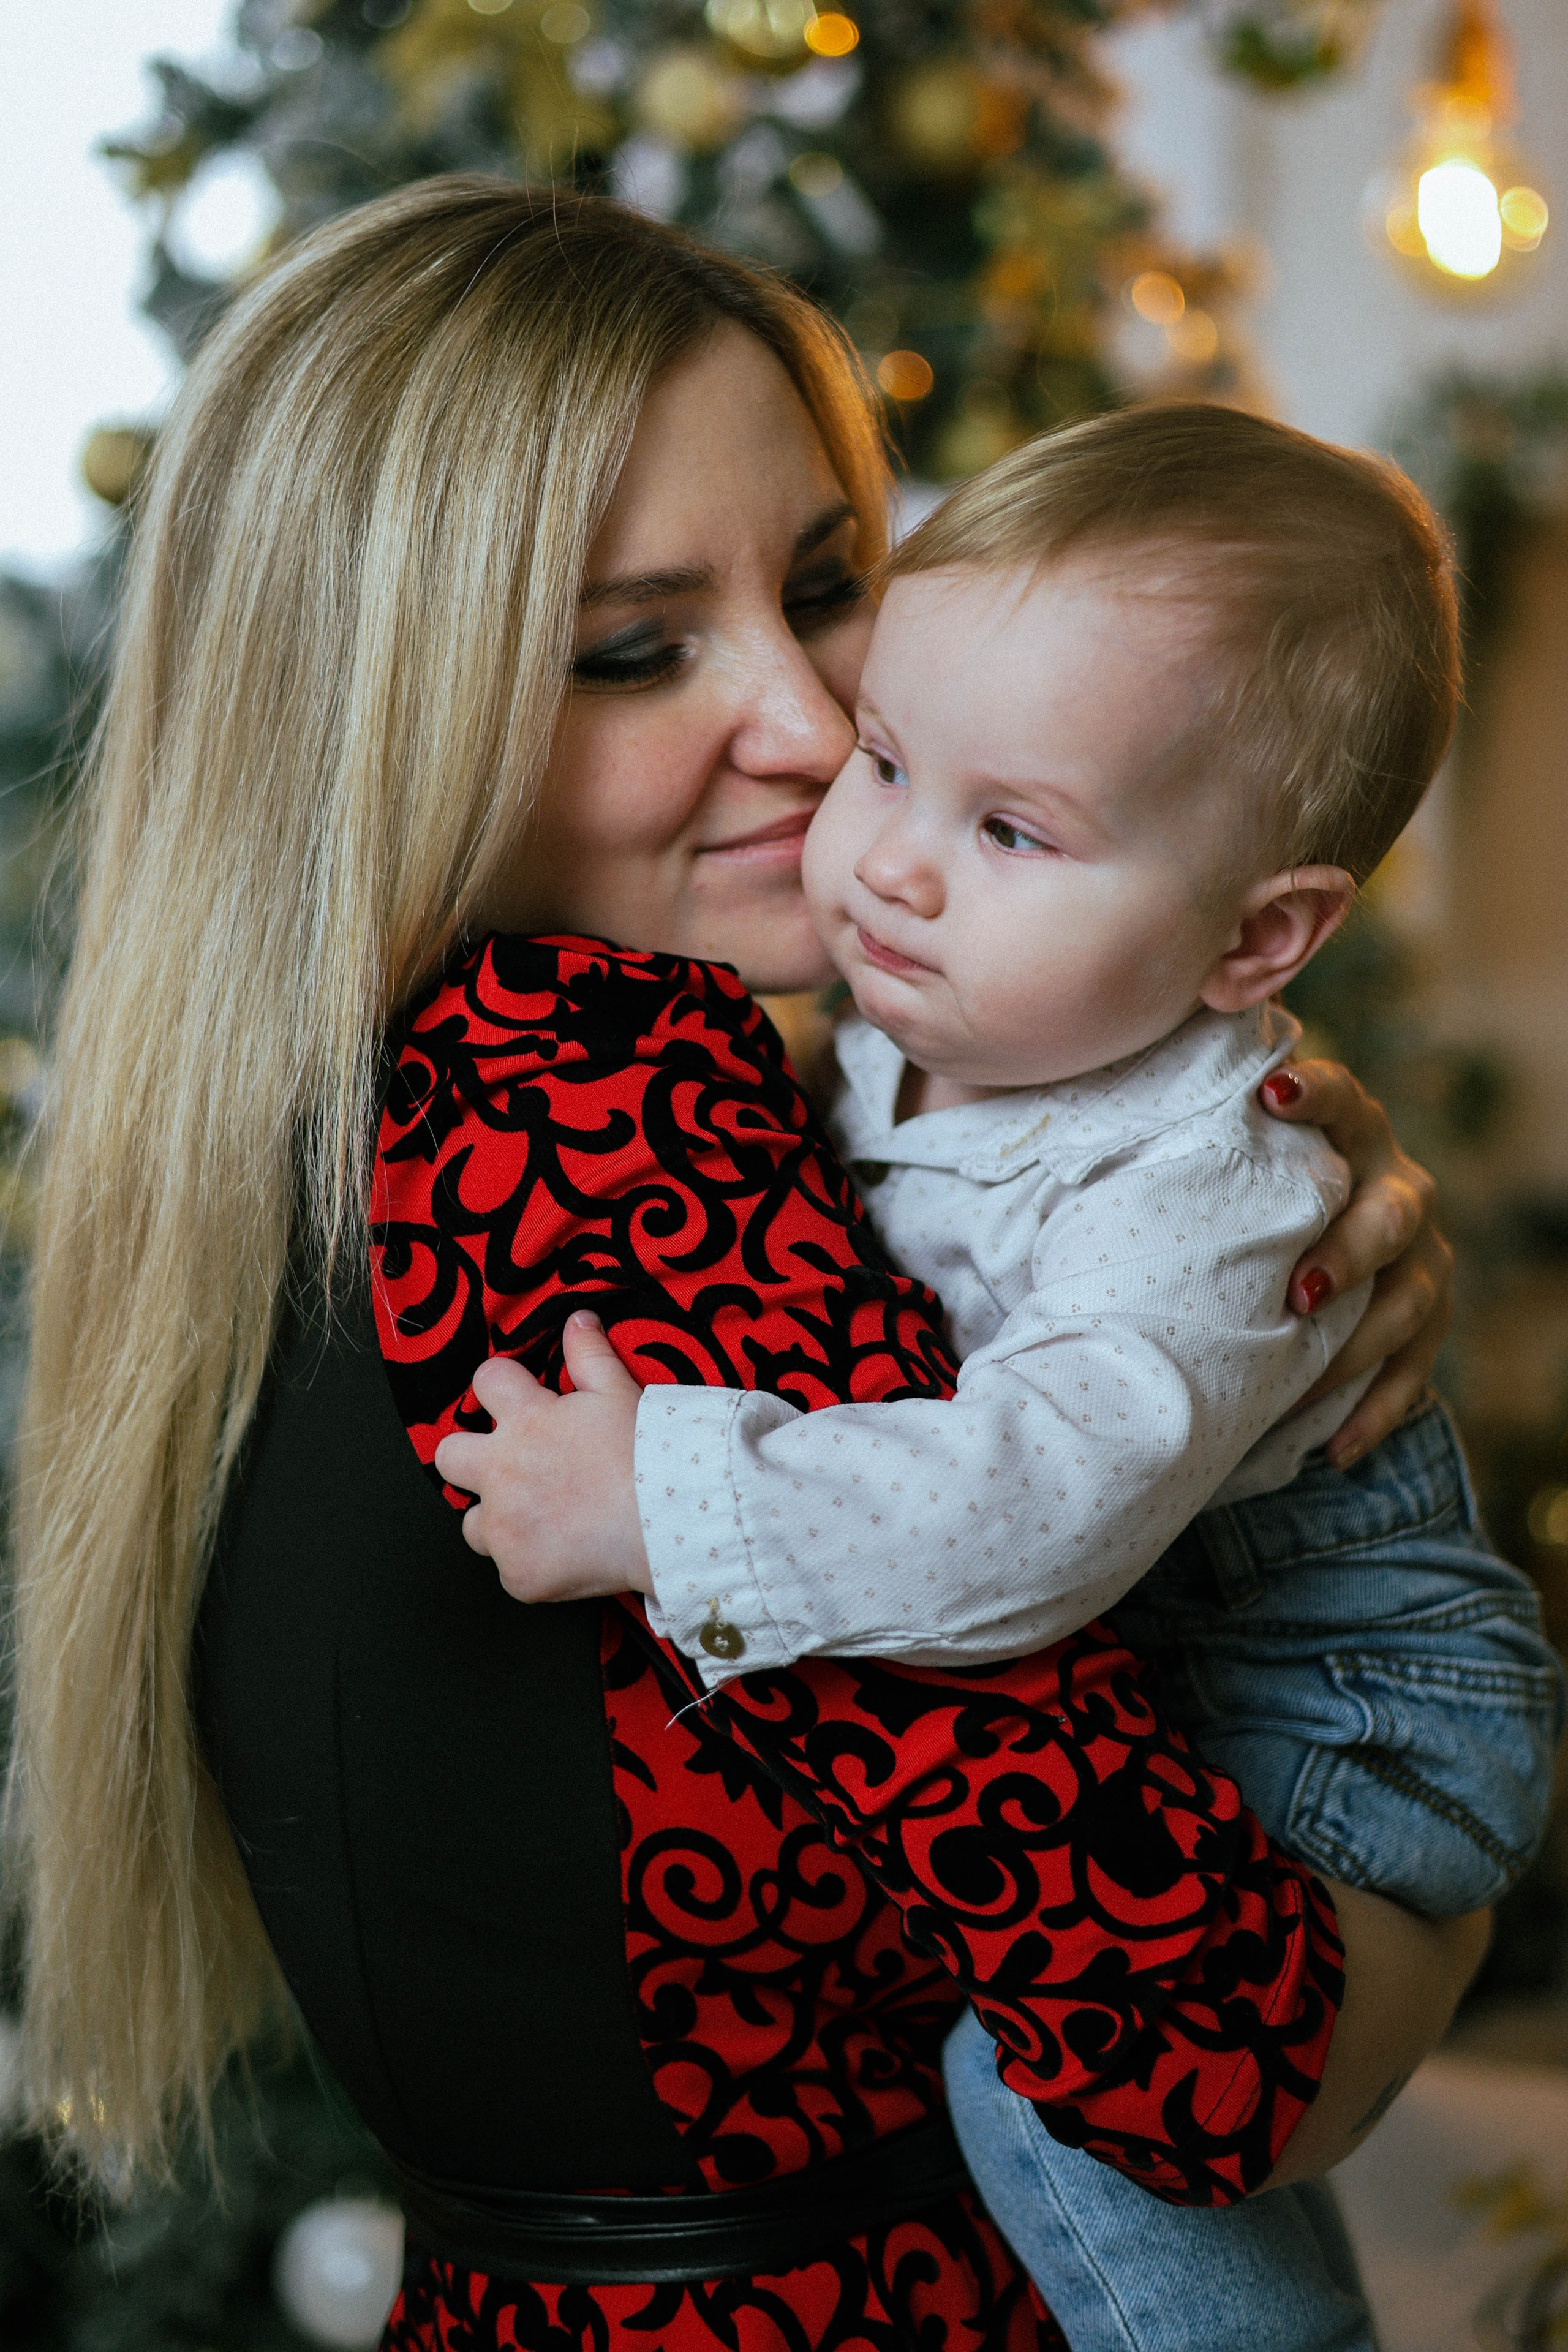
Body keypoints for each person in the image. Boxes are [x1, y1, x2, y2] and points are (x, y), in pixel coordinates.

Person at [7, 179, 1486, 2352]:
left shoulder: (359, 1117)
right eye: (634, 646)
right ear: (371, 708)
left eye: (827, 589)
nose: (807, 724)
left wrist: (1229, 1209)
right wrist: (1449, 1893)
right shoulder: (583, 1116)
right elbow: (1214, 2048)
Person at [445, 404, 1564, 2352]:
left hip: (1344, 1699)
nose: (882, 857)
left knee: (1062, 2100)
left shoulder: (1209, 1197)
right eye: (894, 757)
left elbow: (1027, 1519)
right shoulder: (891, 1021)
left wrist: (662, 1502)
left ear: (1262, 937)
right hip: (1194, 1646)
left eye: (1012, 828)